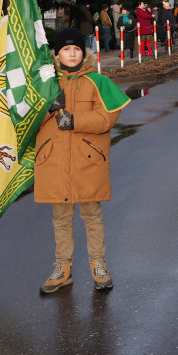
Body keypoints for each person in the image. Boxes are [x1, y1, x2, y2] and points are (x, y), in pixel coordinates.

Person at [35, 27, 130, 294]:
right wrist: (48, 107)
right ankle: (62, 268)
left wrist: (75, 120)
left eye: (77, 49)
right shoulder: (46, 84)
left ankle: (98, 264)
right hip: (53, 160)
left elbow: (107, 118)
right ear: (57, 54)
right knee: (61, 218)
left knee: (92, 215)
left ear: (84, 52)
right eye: (66, 49)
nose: (72, 53)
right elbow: (26, 124)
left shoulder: (96, 81)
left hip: (87, 159)